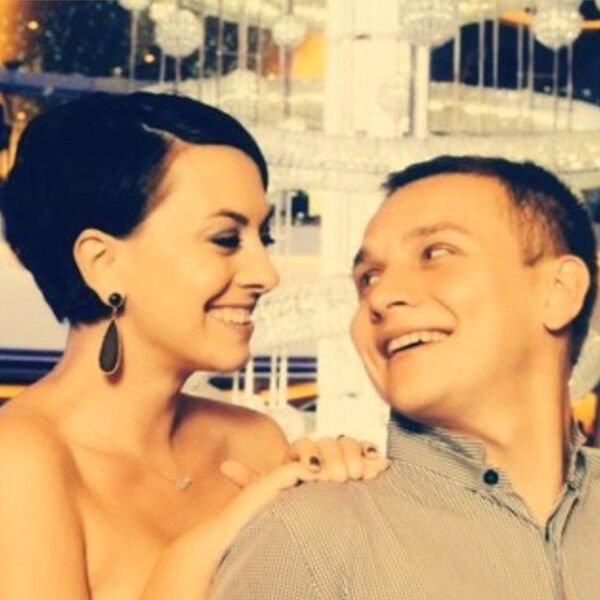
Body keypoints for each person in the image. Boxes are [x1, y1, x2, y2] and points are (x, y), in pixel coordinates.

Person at [0, 92, 389, 600]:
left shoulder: (253, 440)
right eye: (226, 239)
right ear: (103, 264)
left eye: (264, 238)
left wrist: (345, 500)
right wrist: (209, 544)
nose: (266, 274)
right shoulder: (19, 461)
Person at [209, 156, 600, 599]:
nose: (381, 296)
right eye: (368, 278)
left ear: (559, 291)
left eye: (436, 253)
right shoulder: (306, 538)